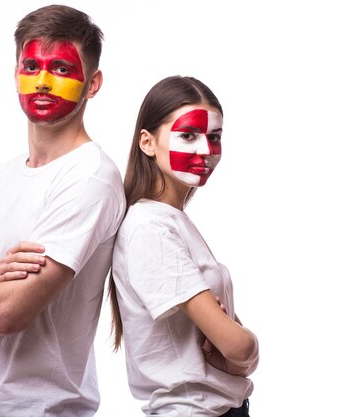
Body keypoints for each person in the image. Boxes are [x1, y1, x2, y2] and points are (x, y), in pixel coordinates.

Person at [0, 5, 125, 417]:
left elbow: (4, 313)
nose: (42, 81)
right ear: (15, 72)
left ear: (93, 84)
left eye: (60, 68)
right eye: (31, 65)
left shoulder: (90, 178)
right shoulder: (3, 177)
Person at [108, 75, 259, 417]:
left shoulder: (172, 221)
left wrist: (239, 349)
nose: (205, 150)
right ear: (147, 142)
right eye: (188, 135)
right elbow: (239, 348)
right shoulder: (150, 228)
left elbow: (238, 359)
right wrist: (245, 344)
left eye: (215, 137)